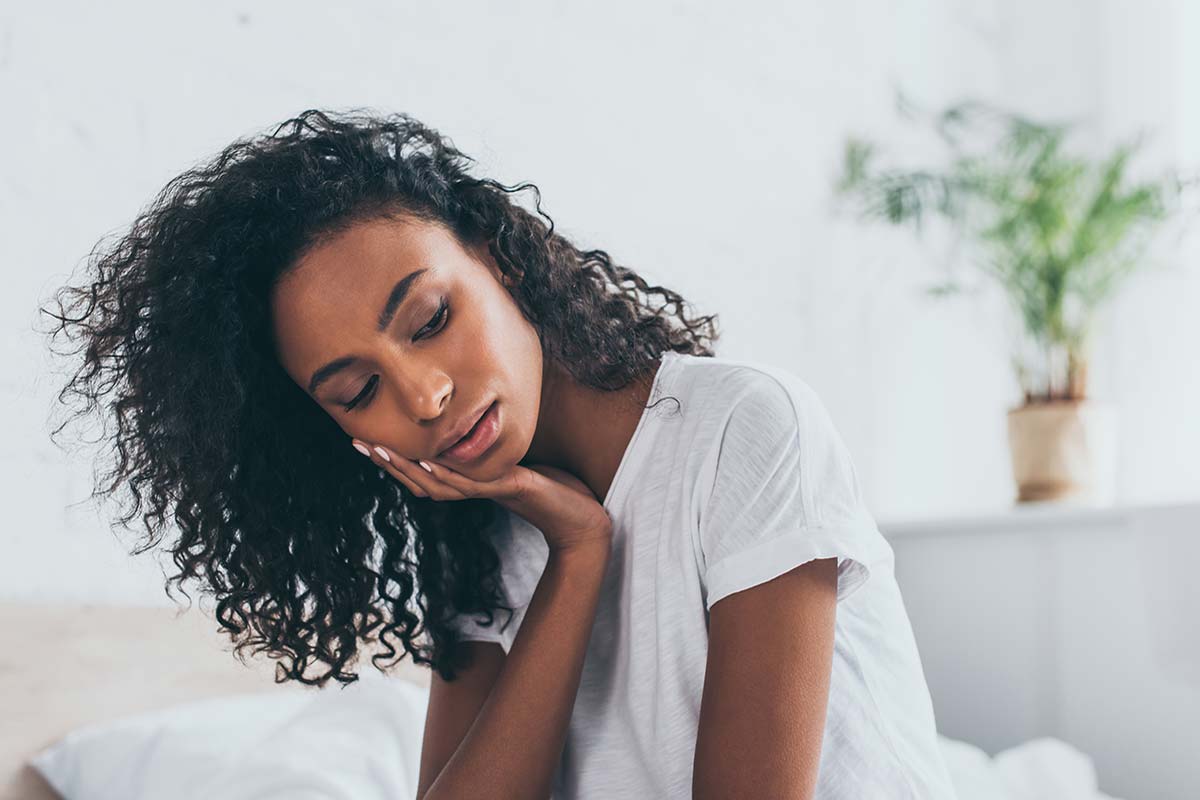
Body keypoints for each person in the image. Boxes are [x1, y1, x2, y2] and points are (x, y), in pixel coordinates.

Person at [41, 108, 957, 799]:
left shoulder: (743, 430)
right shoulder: (471, 534)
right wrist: (578, 552)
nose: (425, 395)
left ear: (498, 259)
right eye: (358, 392)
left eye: (431, 319)